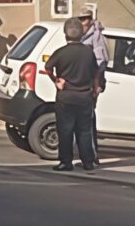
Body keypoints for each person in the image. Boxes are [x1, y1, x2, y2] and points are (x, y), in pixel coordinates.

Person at [45, 18, 100, 172]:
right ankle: (88, 162)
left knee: (65, 130)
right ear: (82, 34)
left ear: (65, 34)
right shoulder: (89, 52)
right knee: (84, 130)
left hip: (66, 97)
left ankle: (66, 162)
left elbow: (48, 67)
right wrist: (95, 90)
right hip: (84, 97)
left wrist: (56, 81)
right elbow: (96, 74)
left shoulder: (61, 53)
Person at [78, 6, 108, 164]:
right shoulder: (80, 36)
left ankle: (92, 155)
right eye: (80, 19)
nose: (82, 22)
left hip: (90, 83)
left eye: (85, 19)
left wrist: (97, 84)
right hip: (81, 83)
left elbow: (100, 62)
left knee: (88, 120)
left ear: (90, 20)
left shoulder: (96, 36)